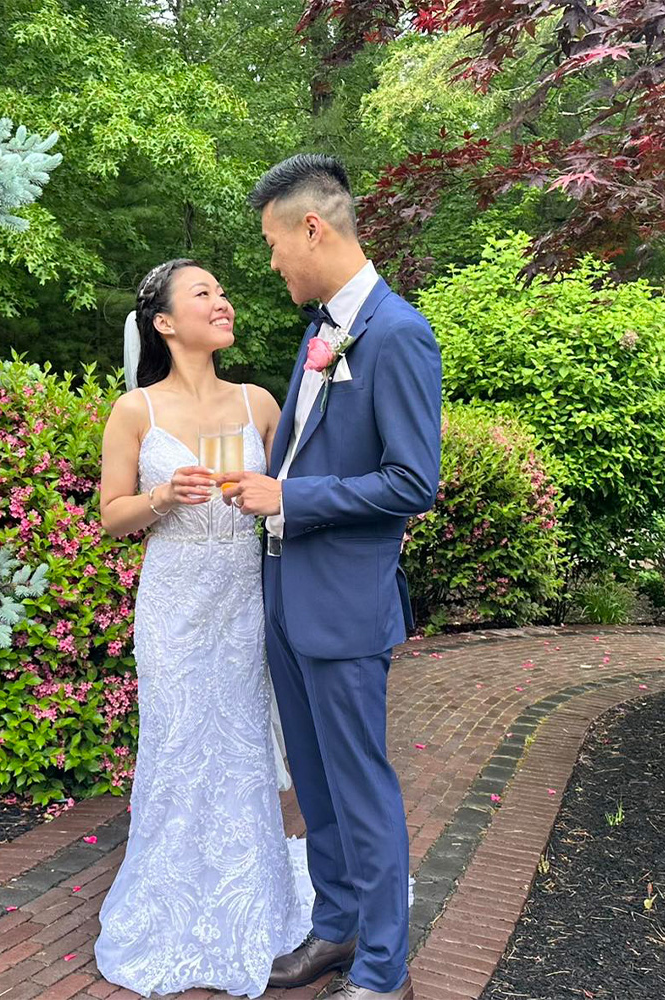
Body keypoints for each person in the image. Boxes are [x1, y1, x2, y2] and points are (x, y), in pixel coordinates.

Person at [218, 154, 442, 1000]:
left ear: (312, 227)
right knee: (313, 783)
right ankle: (337, 930)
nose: (272, 262)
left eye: (275, 242)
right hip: (284, 595)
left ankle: (386, 969)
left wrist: (291, 496)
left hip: (345, 605)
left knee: (359, 784)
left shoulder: (397, 333)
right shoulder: (319, 333)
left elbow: (412, 482)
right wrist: (268, 496)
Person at [94, 258, 309, 998]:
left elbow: (294, 492)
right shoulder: (136, 412)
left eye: (224, 289)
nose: (223, 301)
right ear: (164, 322)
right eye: (204, 293)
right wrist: (160, 497)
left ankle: (258, 902)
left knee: (244, 742)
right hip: (175, 602)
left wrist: (267, 500)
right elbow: (111, 517)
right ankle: (169, 904)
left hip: (244, 595)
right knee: (180, 744)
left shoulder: (258, 404)